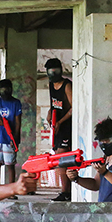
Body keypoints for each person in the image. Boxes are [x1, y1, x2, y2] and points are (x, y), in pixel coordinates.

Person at [66, 117, 112, 202]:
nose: (104, 144)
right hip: (106, 210)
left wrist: (105, 173)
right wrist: (76, 179)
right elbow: (96, 184)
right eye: (101, 141)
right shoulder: (107, 156)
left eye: (107, 141)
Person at [45, 58, 73, 201]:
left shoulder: (67, 85)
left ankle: (66, 192)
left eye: (55, 70)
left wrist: (61, 122)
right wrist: (50, 113)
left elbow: (73, 108)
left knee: (62, 159)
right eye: (50, 71)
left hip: (66, 126)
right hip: (56, 126)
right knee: (58, 157)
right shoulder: (51, 85)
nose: (53, 73)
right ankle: (65, 191)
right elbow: (53, 104)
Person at [0, 79, 22, 187]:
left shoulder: (16, 103)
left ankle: (11, 190)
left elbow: (18, 123)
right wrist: (1, 121)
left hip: (10, 138)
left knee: (10, 165)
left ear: (11, 90)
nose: (4, 92)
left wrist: (16, 139)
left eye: (7, 89)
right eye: (2, 90)